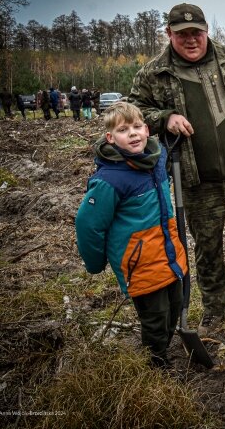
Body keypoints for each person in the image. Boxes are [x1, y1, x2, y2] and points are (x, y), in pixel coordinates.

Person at [129, 3, 225, 333]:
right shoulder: (154, 72)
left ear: (207, 29)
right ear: (168, 34)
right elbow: (135, 111)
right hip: (196, 177)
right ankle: (215, 309)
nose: (191, 39)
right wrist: (164, 118)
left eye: (196, 32)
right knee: (208, 247)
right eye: (182, 34)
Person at [75, 101, 187, 367]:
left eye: (137, 127)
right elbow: (88, 224)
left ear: (147, 130)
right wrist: (95, 263)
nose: (134, 133)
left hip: (169, 253)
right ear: (111, 138)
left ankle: (163, 348)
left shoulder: (156, 158)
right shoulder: (109, 180)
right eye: (124, 130)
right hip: (140, 263)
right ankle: (156, 364)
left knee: (176, 306)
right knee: (155, 318)